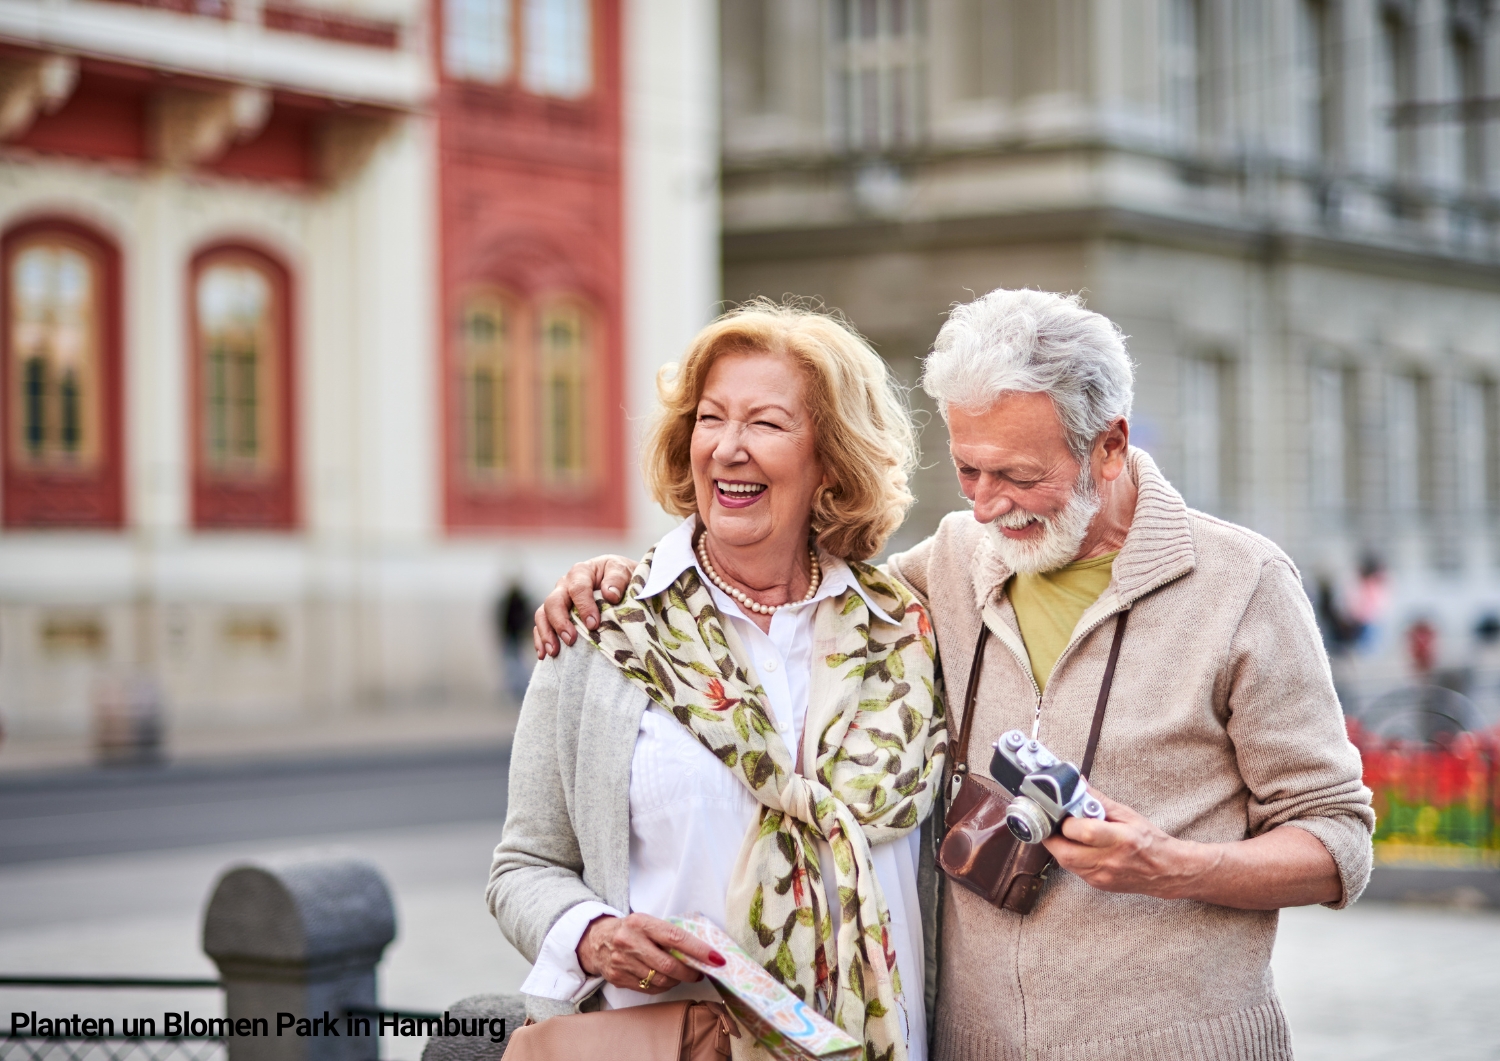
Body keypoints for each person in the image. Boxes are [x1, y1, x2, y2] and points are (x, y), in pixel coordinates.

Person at [534, 288, 1375, 1061]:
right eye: (968, 468)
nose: (985, 503)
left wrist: (1170, 862)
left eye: (1018, 474)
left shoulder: (1242, 585)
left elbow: (1337, 840)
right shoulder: (946, 569)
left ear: (1111, 446)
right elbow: (769, 588)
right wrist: (625, 579)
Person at [488, 302, 947, 1061]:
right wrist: (595, 936)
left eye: (766, 424)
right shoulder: (603, 632)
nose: (729, 448)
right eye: (710, 419)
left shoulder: (906, 627)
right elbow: (524, 866)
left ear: (830, 458)